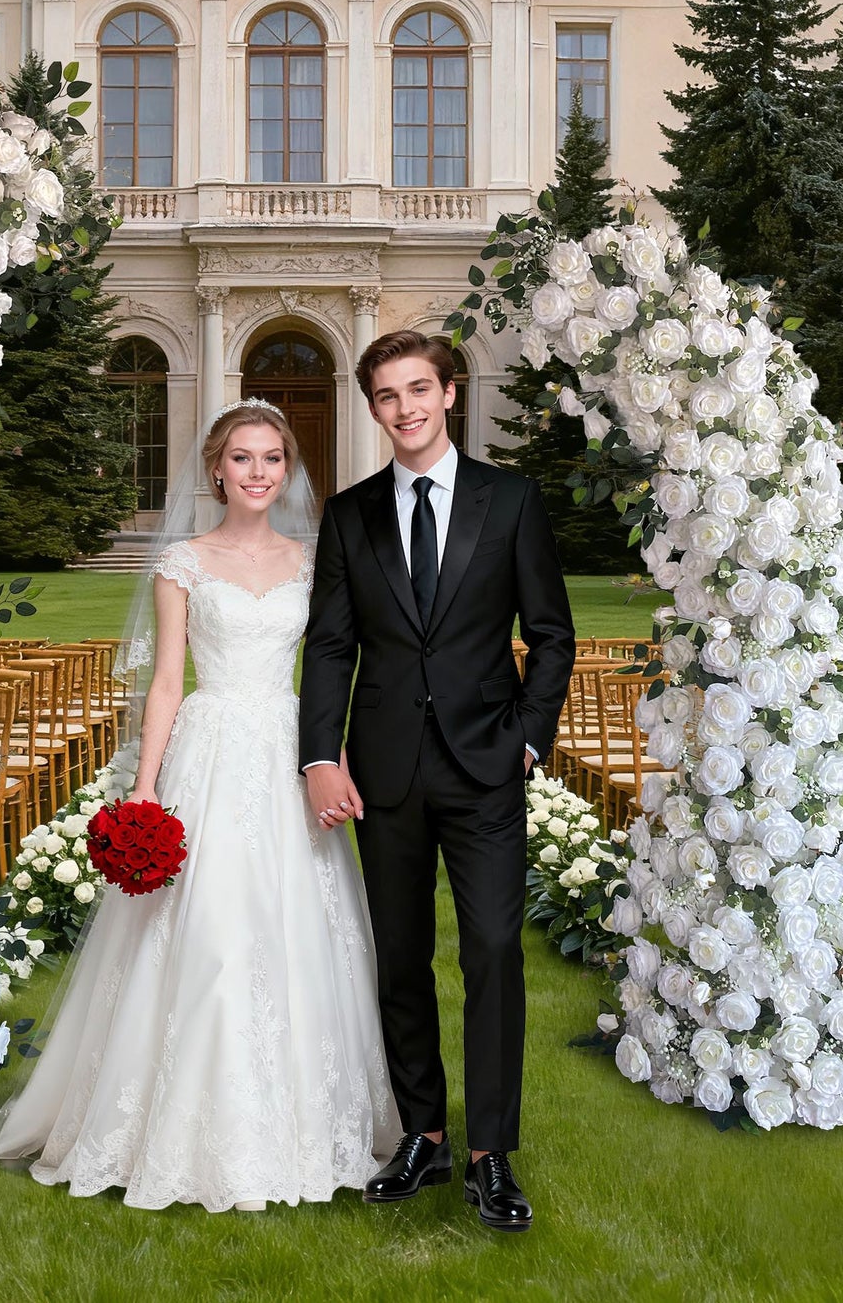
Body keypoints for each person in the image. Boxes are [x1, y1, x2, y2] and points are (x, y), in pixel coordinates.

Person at [0, 400, 398, 1211]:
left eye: (273, 458)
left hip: (284, 749)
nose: (259, 472)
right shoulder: (183, 564)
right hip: (208, 748)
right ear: (216, 470)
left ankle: (304, 1123)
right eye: (242, 458)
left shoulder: (315, 561)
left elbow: (335, 666)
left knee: (297, 926)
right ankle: (171, 1130)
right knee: (205, 930)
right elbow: (167, 682)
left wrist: (331, 754)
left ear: (288, 470)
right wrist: (145, 786)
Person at [299, 331, 575, 1233]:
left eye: (419, 389)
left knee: (494, 950)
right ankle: (423, 1132)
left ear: (448, 394)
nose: (405, 408)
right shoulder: (350, 514)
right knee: (402, 958)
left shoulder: (511, 500)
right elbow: (333, 644)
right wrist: (319, 756)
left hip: (488, 763)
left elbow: (552, 631)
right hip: (384, 774)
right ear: (373, 408)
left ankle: (492, 1153)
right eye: (387, 395)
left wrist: (530, 739)